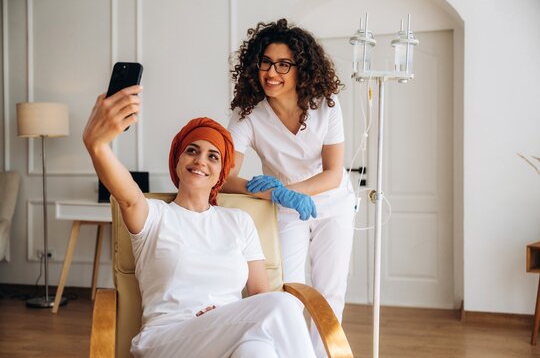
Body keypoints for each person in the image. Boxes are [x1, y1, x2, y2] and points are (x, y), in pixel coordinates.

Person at [82, 86, 316, 358]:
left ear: (221, 174)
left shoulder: (239, 221)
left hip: (228, 335)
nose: (201, 161)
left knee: (258, 350)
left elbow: (260, 295)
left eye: (212, 156)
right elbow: (128, 196)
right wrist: (97, 146)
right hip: (168, 339)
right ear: (177, 161)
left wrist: (224, 320)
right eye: (192, 151)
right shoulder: (154, 214)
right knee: (284, 305)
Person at [222, 18, 355, 355]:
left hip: (333, 203)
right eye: (265, 62)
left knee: (330, 292)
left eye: (283, 64)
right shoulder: (248, 112)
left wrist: (293, 190)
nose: (271, 72)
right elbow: (225, 176)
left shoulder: (325, 104)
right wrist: (267, 190)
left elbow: (333, 173)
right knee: (287, 289)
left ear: (301, 69)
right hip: (283, 207)